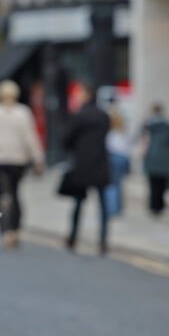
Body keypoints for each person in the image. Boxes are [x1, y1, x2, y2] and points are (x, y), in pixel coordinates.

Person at [0, 79, 45, 248]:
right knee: (15, 192)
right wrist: (38, 159)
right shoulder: (23, 112)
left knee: (4, 194)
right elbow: (30, 137)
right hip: (18, 160)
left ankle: (6, 229)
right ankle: (15, 229)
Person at [62, 81, 111, 255]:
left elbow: (67, 140)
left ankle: (73, 237)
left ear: (87, 95)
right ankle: (103, 241)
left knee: (78, 204)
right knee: (103, 206)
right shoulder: (104, 115)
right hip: (100, 163)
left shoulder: (80, 115)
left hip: (82, 165)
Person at [141, 103, 169, 216]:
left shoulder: (148, 126)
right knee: (162, 184)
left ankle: (153, 205)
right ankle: (160, 206)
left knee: (153, 184)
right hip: (165, 160)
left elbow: (143, 142)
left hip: (152, 159)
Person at [104, 101, 133, 216]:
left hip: (113, 156)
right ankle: (118, 207)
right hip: (123, 157)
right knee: (119, 184)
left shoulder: (109, 130)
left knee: (111, 184)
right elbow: (128, 144)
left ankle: (112, 208)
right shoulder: (123, 129)